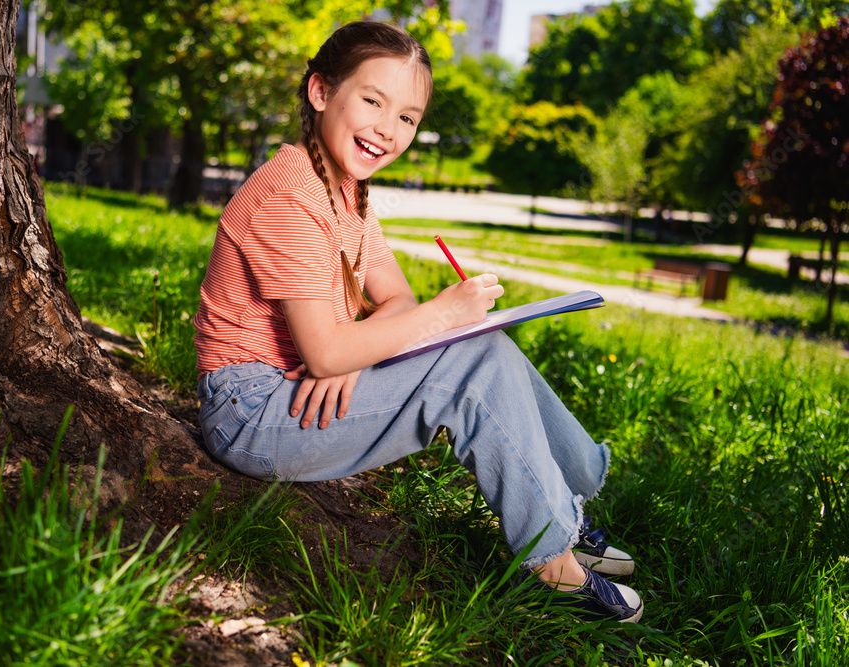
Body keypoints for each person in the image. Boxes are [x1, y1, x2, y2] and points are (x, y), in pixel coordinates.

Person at [194, 20, 642, 623]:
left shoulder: (345, 191)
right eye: (373, 101)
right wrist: (396, 331)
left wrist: (360, 348)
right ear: (321, 91)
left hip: (294, 390)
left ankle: (571, 503)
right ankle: (552, 563)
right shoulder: (288, 193)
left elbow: (396, 301)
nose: (388, 128)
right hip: (253, 414)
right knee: (470, 365)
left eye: (408, 116)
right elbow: (330, 352)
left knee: (481, 344)